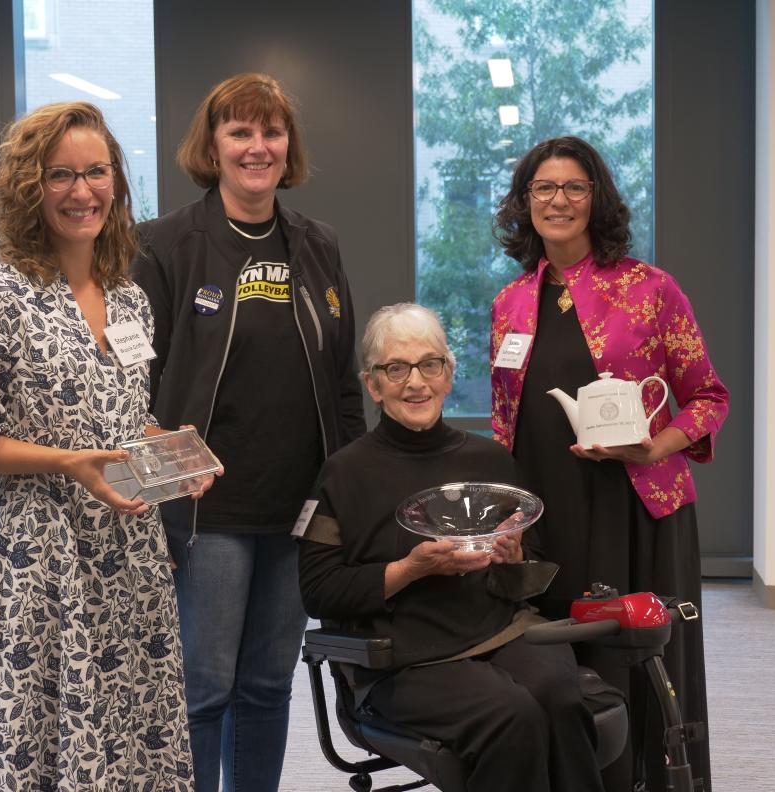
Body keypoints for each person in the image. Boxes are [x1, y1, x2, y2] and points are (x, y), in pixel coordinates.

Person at [0, 101, 207, 790]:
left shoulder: (129, 299)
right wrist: (67, 465)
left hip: (131, 555)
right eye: (61, 175)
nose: (82, 192)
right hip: (39, 560)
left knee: (131, 731)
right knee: (39, 736)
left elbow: (122, 421)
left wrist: (171, 453)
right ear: (30, 187)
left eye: (96, 172)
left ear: (115, 182)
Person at [132, 73, 364, 792]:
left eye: (270, 132)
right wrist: (163, 472)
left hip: (299, 509)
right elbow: (133, 385)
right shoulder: (166, 245)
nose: (257, 147)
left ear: (288, 145)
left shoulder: (317, 244)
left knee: (268, 685)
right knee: (204, 688)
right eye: (239, 132)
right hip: (210, 510)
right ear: (212, 145)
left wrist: (350, 494)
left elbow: (344, 383)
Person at [490, 135, 729, 791]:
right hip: (546, 510)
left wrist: (655, 447)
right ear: (525, 202)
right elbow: (503, 418)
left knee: (642, 659)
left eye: (574, 187)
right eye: (544, 188)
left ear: (597, 200)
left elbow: (709, 398)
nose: (558, 200)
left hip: (636, 509)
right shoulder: (510, 301)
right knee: (558, 659)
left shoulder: (650, 289)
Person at [298, 303, 606, 792]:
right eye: (395, 368)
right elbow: (317, 592)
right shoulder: (343, 473)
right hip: (403, 659)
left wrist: (515, 558)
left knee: (562, 699)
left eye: (430, 364)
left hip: (501, 632)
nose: (415, 382)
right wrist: (409, 569)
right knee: (513, 715)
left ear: (448, 374)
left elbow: (533, 568)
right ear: (373, 385)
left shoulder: (490, 460)